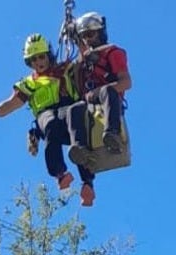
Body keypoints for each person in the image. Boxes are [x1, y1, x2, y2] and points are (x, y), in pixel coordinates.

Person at [0, 34, 92, 201]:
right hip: (46, 116)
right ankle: (60, 174)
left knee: (79, 134)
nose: (38, 62)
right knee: (51, 123)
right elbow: (13, 103)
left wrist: (76, 36)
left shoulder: (65, 69)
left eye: (41, 57)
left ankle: (88, 183)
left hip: (68, 111)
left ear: (48, 55)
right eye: (33, 59)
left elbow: (86, 56)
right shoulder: (29, 83)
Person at [70, 10, 132, 155]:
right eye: (84, 36)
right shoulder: (84, 60)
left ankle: (112, 133)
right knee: (74, 109)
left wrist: (101, 90)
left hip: (109, 100)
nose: (88, 40)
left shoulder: (112, 52)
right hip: (90, 101)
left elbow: (126, 82)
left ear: (100, 33)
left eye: (91, 35)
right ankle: (80, 148)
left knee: (106, 91)